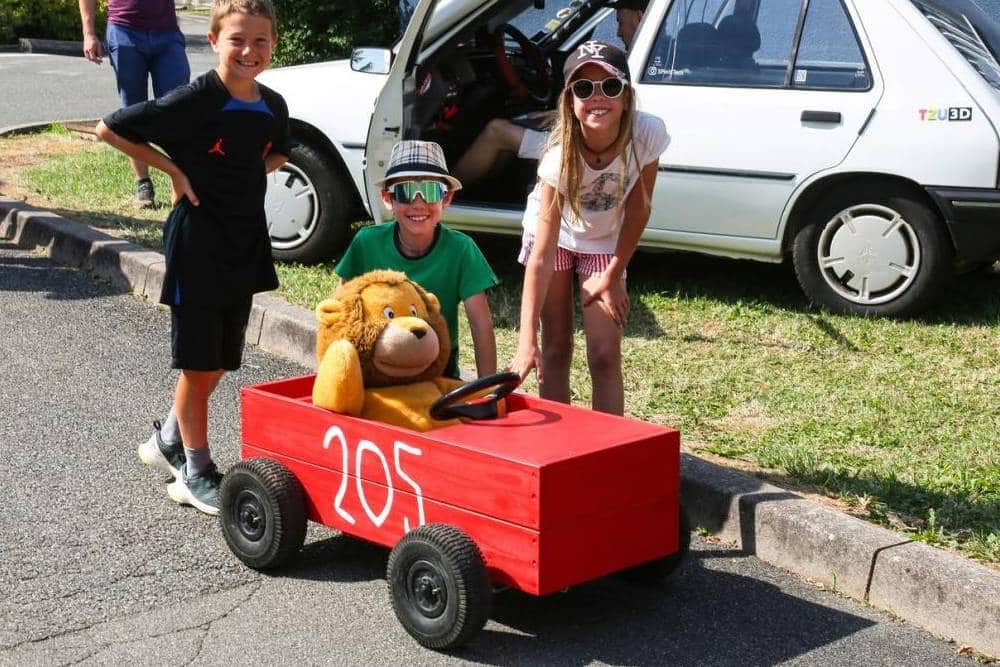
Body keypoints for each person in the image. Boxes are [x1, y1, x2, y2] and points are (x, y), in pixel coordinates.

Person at [95, 0, 290, 516]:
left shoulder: (273, 104)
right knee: (198, 364)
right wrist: (175, 172)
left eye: (261, 40)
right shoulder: (196, 98)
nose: (249, 50)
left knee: (220, 361)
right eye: (237, 39)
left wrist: (245, 171)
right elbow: (110, 128)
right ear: (214, 40)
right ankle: (194, 470)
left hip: (244, 244)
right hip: (198, 245)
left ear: (274, 43)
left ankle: (167, 438)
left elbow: (280, 150)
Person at [509, 40, 669, 415]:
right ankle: (559, 441)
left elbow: (639, 209)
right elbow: (542, 255)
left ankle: (608, 444)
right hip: (556, 237)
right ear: (569, 101)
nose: (597, 97)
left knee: (604, 354)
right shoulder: (557, 158)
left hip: (604, 239)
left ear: (627, 97)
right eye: (583, 88)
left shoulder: (647, 134)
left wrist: (613, 274)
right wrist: (525, 339)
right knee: (556, 346)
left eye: (609, 86)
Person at [335, 140, 499, 381]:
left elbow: (480, 325)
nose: (419, 203)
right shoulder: (366, 243)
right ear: (387, 198)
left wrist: (489, 389)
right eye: (405, 191)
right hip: (377, 371)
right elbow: (340, 311)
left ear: (446, 198)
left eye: (431, 191)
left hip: (438, 373)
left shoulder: (462, 250)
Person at [452, 0, 649, 186]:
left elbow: (624, 113)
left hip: (585, 141)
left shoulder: (642, 71)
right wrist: (560, 114)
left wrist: (566, 116)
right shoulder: (657, 60)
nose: (618, 32)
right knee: (525, 122)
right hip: (597, 137)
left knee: (496, 130)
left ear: (639, 18)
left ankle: (447, 193)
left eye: (619, 22)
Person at [78, 0, 191, 207]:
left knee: (178, 108)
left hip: (167, 33)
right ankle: (143, 183)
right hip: (124, 30)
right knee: (132, 112)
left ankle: (181, 180)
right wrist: (89, 34)